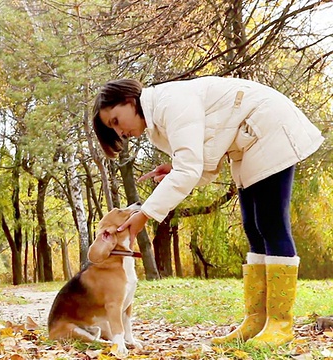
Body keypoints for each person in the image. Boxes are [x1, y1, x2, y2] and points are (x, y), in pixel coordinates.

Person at [91, 76, 323, 348]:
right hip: (249, 141)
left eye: (116, 121)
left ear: (130, 101)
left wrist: (146, 213)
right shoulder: (159, 121)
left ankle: (280, 325)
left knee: (271, 224)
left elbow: (190, 169)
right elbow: (201, 164)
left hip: (269, 127)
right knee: (253, 227)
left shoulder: (169, 103)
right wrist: (175, 168)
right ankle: (256, 320)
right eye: (113, 129)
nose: (120, 132)